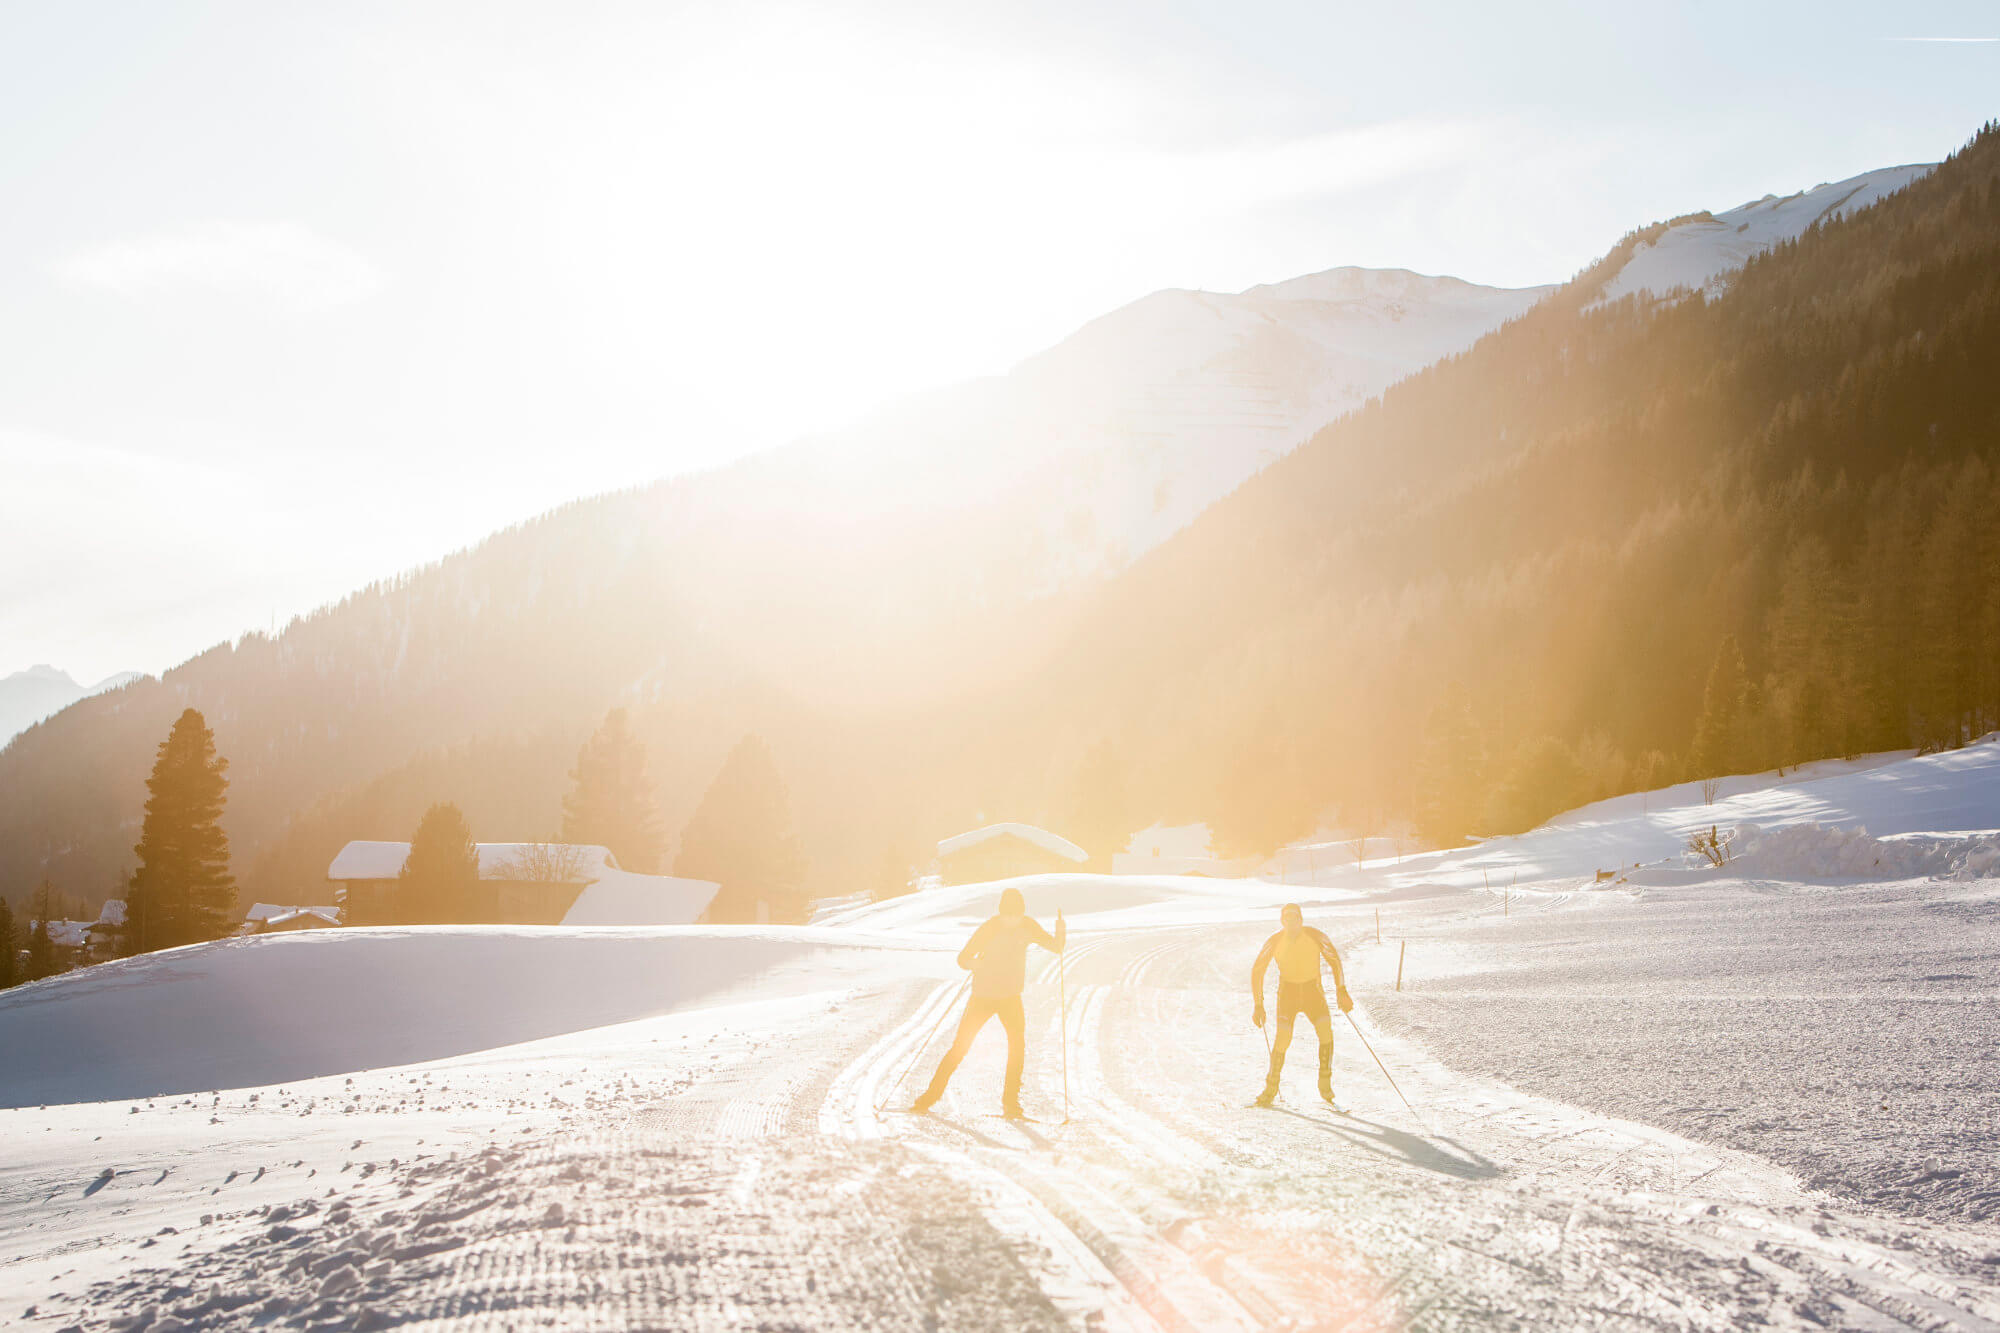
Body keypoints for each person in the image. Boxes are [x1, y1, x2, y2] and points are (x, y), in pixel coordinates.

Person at [912, 887, 1066, 1118]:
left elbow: (1056, 947)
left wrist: (1060, 930)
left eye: (1016, 915)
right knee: (960, 1047)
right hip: (982, 997)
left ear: (1022, 913)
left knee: (1017, 1048)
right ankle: (929, 1097)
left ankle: (1011, 1104)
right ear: (1001, 913)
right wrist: (977, 964)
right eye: (1008, 915)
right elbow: (963, 958)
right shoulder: (989, 928)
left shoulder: (1027, 925)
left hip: (1011, 997)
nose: (1012, 920)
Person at [1250, 903, 1352, 1107]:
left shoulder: (1315, 936)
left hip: (1312, 992)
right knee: (1283, 1039)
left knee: (1325, 1033)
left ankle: (1325, 1084)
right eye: (1287, 919)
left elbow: (1334, 960)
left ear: (1301, 919)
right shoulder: (1275, 940)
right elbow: (1257, 970)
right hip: (1288, 993)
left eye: (1295, 918)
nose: (1291, 922)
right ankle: (1271, 1087)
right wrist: (1258, 1005)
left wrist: (1341, 991)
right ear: (1282, 921)